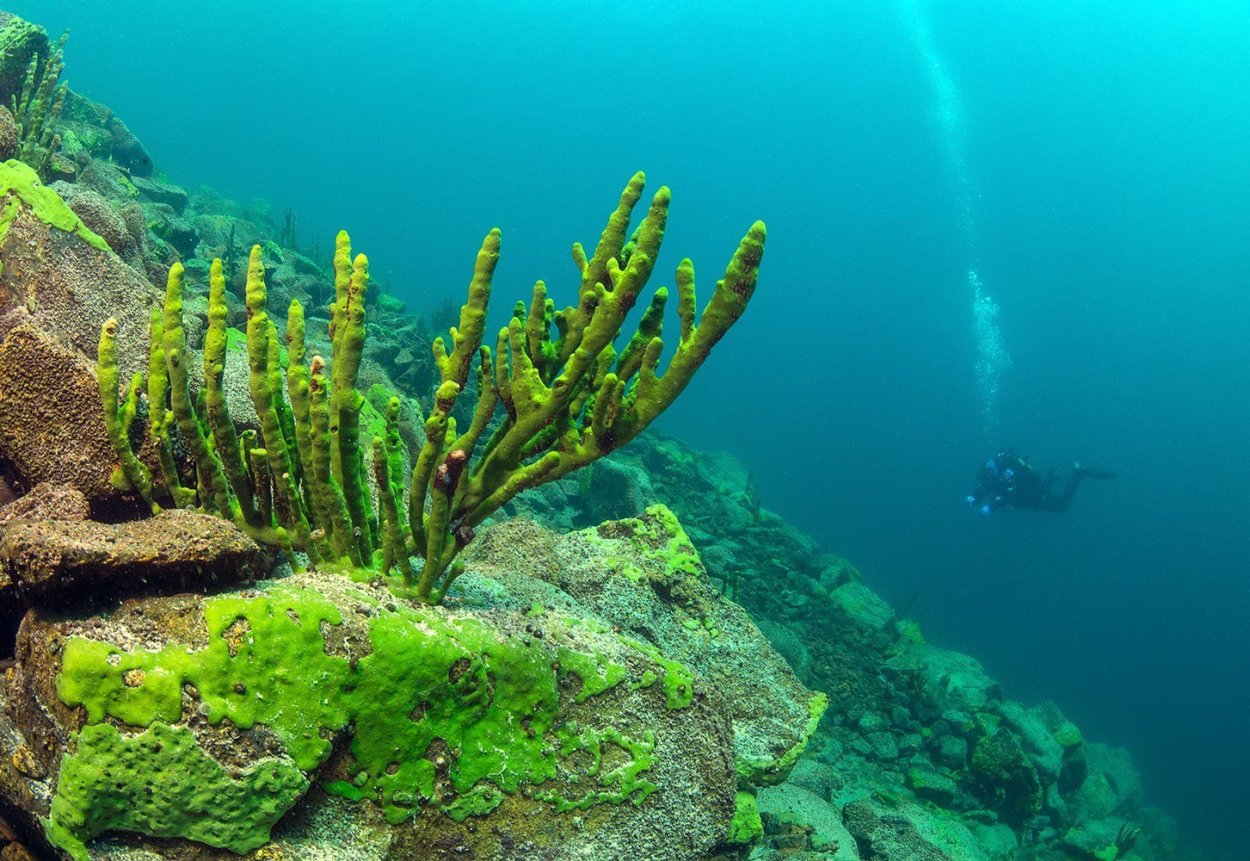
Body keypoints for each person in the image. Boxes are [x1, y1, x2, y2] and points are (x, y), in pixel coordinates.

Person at [965, 449, 1116, 516]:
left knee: (1061, 506)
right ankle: (1052, 475)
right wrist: (974, 498)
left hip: (1031, 494)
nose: (986, 480)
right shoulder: (992, 476)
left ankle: (1078, 474)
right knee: (1039, 500)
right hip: (1027, 497)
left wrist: (992, 506)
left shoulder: (1004, 476)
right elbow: (984, 488)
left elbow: (1010, 493)